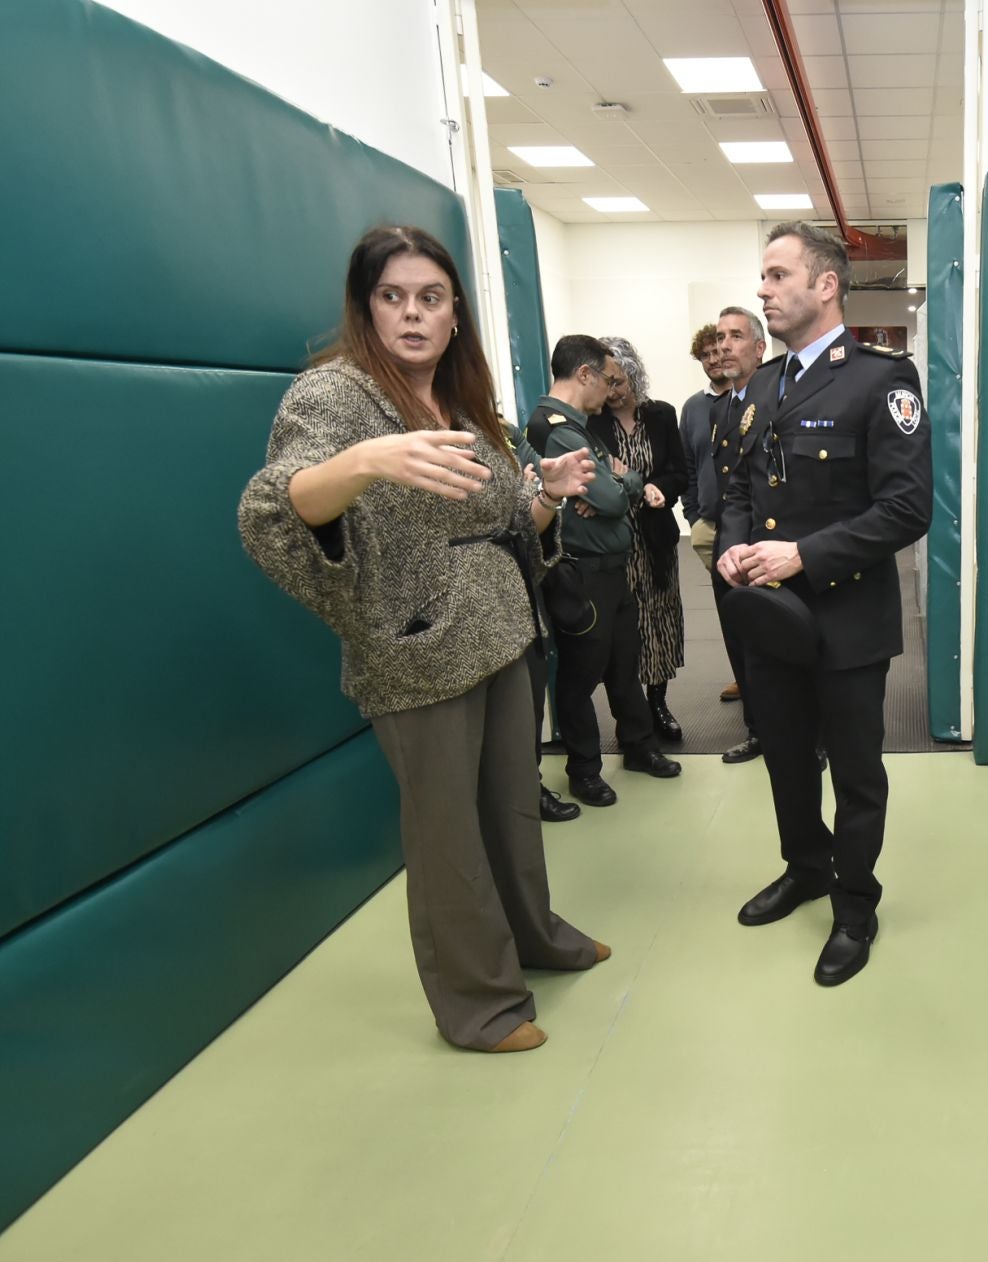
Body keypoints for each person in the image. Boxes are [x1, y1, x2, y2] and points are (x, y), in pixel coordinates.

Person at [238, 225, 607, 1054]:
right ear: (366, 308)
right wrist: (366, 461)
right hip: (415, 643)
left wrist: (545, 493)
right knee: (446, 833)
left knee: (511, 809)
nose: (412, 315)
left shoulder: (462, 396)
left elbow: (508, 522)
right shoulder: (334, 398)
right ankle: (478, 1004)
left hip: (503, 633)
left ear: (454, 315)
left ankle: (536, 940)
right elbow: (272, 509)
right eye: (392, 297)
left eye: (430, 298)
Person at [716, 222, 931, 986]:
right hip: (771, 619)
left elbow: (907, 510)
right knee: (786, 760)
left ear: (826, 283)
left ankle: (854, 904)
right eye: (763, 278)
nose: (764, 291)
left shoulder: (881, 380)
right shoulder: (762, 387)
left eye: (777, 276)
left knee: (855, 770)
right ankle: (805, 867)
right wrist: (731, 547)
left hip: (845, 622)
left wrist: (804, 554)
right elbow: (741, 488)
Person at [527, 336, 682, 809]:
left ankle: (637, 746)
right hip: (583, 572)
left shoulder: (581, 427)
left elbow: (616, 485)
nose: (612, 391)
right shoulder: (557, 430)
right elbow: (614, 497)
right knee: (580, 677)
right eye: (607, 379)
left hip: (613, 571)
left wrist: (619, 480)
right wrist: (623, 484)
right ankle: (584, 770)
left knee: (623, 665)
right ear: (586, 375)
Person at [597, 336, 688, 743]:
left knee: (660, 618)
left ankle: (658, 702)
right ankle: (631, 710)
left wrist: (657, 490)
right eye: (606, 384)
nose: (613, 393)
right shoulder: (593, 422)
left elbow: (678, 471)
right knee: (626, 625)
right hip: (615, 540)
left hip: (654, 537)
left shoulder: (662, 415)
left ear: (634, 376)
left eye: (619, 383)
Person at [703, 306, 771, 764]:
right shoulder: (721, 407)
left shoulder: (776, 397)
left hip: (768, 547)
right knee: (740, 647)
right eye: (720, 337)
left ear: (759, 348)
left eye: (735, 337)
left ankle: (812, 737)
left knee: (778, 649)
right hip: (729, 546)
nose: (724, 346)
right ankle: (758, 732)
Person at [505, 416, 580, 823]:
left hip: (521, 583)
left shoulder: (502, 430)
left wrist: (541, 492)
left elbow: (540, 481)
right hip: (465, 597)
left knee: (530, 697)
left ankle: (529, 786)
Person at [678, 322, 729, 575]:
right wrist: (694, 521)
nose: (712, 360)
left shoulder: (754, 397)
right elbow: (687, 467)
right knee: (725, 603)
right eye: (705, 356)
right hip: (707, 527)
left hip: (752, 526)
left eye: (717, 351)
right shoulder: (692, 408)